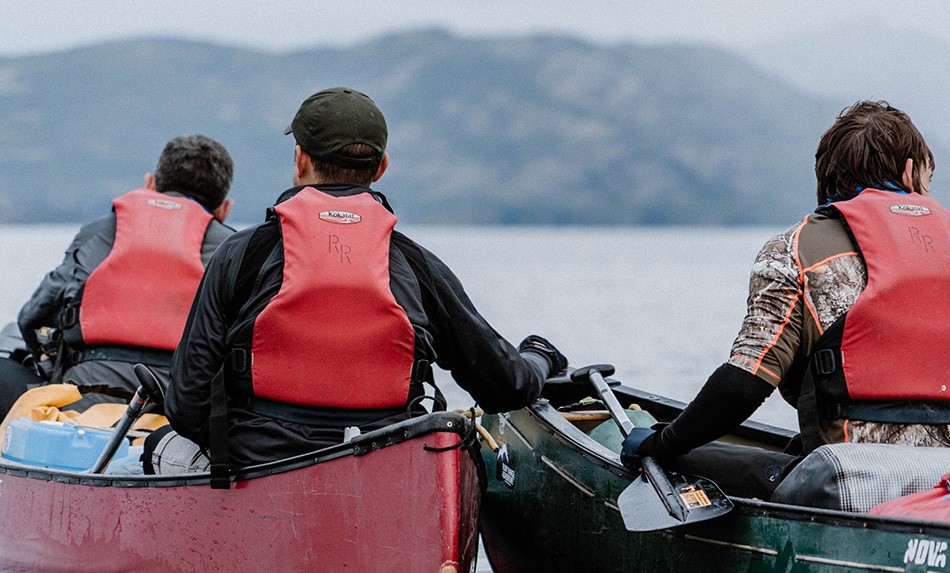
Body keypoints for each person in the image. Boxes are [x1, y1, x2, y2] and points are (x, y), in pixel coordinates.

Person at [150, 87, 565, 475]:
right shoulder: (414, 264)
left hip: (258, 472)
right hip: (390, 473)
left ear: (299, 160)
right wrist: (539, 357)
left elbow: (187, 406)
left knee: (158, 444)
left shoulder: (239, 257)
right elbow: (507, 388)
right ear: (381, 168)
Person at [623, 100, 950, 487]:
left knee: (679, 455)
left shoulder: (794, 251)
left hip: (852, 485)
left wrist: (661, 444)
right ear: (911, 172)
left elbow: (745, 383)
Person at [0, 135, 235, 416]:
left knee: (9, 342)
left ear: (150, 184)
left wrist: (46, 358)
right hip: (178, 413)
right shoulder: (233, 250)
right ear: (224, 210)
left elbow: (32, 317)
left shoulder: (96, 233)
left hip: (82, 400)